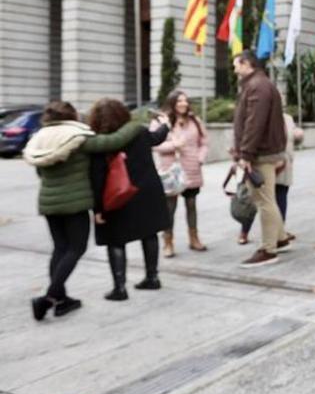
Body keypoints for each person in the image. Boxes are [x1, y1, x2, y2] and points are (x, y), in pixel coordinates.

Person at [23, 101, 144, 320]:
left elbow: (41, 174)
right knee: (75, 249)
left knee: (60, 248)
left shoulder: (40, 137)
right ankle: (49, 299)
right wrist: (134, 124)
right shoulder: (77, 137)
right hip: (75, 204)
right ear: (71, 115)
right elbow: (113, 141)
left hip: (49, 202)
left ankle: (61, 300)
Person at [87, 100, 171, 300]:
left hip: (119, 195)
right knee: (149, 233)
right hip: (148, 191)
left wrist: (98, 209)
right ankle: (152, 277)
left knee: (115, 239)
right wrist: (166, 124)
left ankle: (119, 288)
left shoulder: (101, 142)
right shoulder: (139, 132)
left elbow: (96, 177)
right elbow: (157, 137)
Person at [231, 51, 288, 267]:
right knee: (266, 198)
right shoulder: (258, 84)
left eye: (236, 64)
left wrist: (245, 153)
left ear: (246, 63)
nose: (234, 69)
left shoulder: (257, 86)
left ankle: (268, 250)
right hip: (260, 152)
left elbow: (254, 123)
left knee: (264, 201)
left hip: (259, 154)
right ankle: (280, 238)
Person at [154, 89, 210, 256]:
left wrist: (200, 158)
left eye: (185, 100)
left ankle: (194, 238)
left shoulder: (194, 120)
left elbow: (204, 142)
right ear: (172, 103)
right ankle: (168, 242)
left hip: (192, 168)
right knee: (170, 208)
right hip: (171, 170)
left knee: (191, 204)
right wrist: (174, 146)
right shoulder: (161, 121)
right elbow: (154, 144)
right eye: (179, 101)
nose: (183, 104)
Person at [237, 111, 302, 247]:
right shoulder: (261, 116)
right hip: (268, 164)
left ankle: (280, 234)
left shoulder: (288, 118)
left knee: (281, 198)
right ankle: (244, 231)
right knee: (259, 200)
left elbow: (293, 140)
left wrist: (298, 136)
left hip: (285, 165)